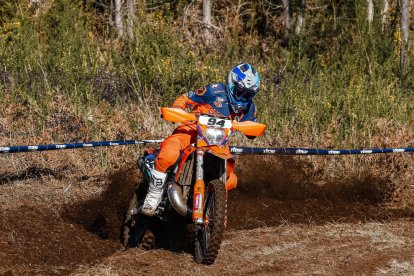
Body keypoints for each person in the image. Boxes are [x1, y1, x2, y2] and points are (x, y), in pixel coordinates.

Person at [142, 63, 261, 216]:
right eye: (241, 92)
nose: (244, 98)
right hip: (191, 130)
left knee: (231, 179)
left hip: (218, 141)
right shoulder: (214, 90)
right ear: (232, 84)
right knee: (169, 154)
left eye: (248, 95)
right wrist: (177, 109)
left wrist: (253, 127)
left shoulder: (249, 107)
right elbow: (186, 98)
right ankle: (153, 195)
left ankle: (210, 206)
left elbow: (252, 128)